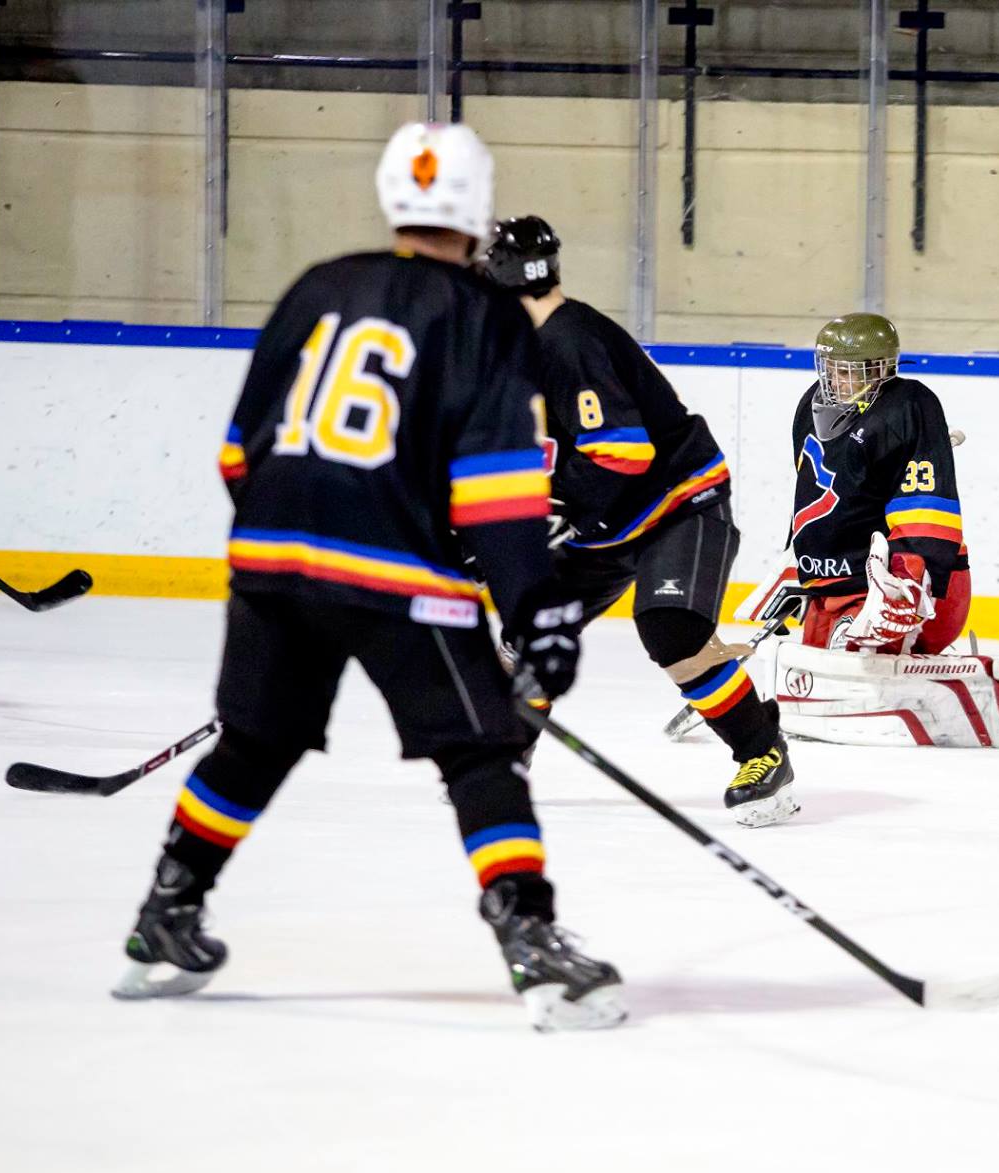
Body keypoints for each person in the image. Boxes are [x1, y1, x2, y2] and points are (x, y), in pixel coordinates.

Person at [113, 123, 625, 1032]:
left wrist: (288, 546)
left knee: (255, 742)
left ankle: (168, 910)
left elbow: (240, 452)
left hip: (271, 556)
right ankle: (533, 941)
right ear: (475, 206)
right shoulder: (485, 317)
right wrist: (540, 613)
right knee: (481, 748)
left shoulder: (319, 285)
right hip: (394, 571)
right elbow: (499, 492)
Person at [478, 215, 796, 827]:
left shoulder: (567, 342)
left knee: (671, 630)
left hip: (679, 504)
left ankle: (763, 753)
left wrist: (550, 506)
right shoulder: (531, 344)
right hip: (610, 520)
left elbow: (623, 454)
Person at [787, 313, 970, 656]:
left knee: (854, 660)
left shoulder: (907, 405)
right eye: (829, 369)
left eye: (845, 371)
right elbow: (814, 491)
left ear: (879, 369)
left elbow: (926, 506)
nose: (833, 381)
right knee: (812, 662)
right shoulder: (810, 406)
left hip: (889, 580)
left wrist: (909, 579)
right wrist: (797, 564)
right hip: (830, 580)